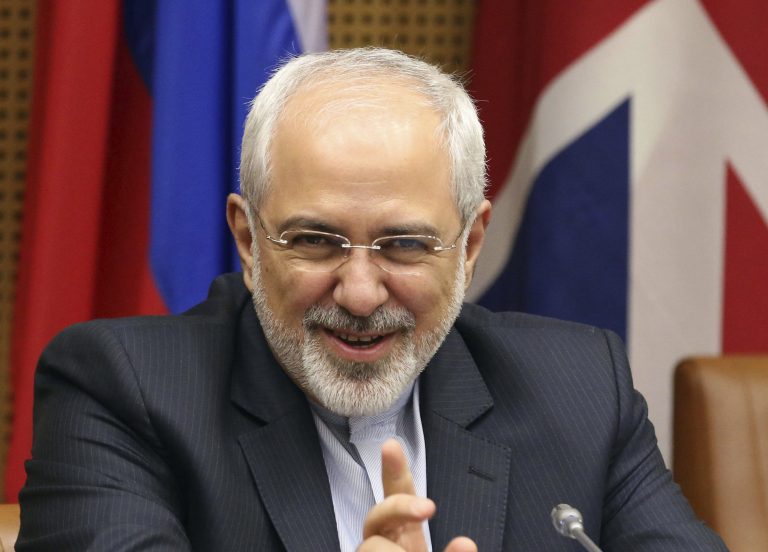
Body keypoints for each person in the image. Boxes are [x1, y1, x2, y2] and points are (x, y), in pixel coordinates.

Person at [18, 48, 726, 551]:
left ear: (470, 245)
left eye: (405, 245)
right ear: (248, 239)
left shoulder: (577, 389)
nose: (359, 294)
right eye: (315, 241)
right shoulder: (122, 390)